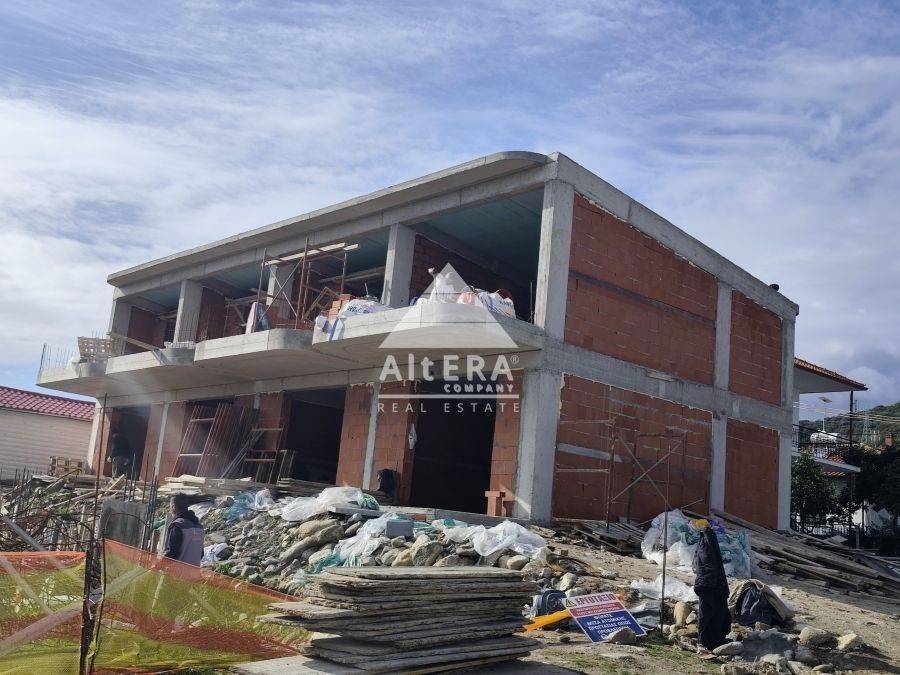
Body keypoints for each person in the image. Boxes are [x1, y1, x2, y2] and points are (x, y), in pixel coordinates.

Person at [163, 493, 205, 566]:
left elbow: (172, 553)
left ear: (173, 507)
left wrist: (158, 565)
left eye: (170, 507)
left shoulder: (177, 526)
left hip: (178, 572)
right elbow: (201, 553)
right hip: (194, 571)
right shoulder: (199, 527)